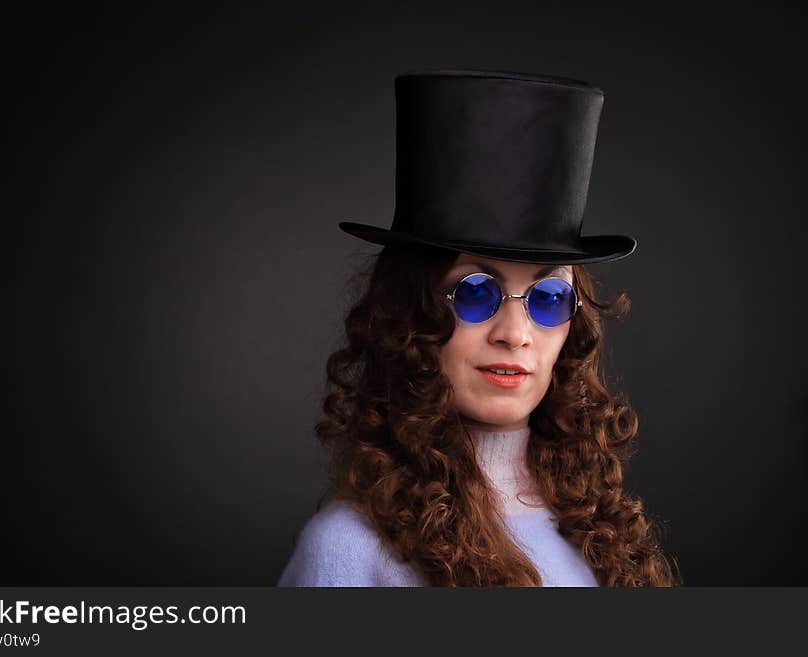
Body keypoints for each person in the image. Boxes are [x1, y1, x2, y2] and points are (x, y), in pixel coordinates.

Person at [277, 69, 682, 587]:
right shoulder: (349, 549)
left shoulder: (600, 527)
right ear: (410, 316)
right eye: (475, 292)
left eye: (550, 297)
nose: (515, 333)